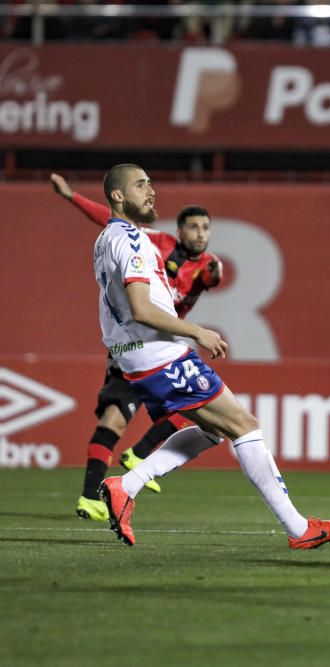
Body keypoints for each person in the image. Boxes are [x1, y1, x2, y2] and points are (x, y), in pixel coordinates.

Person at [92, 163, 330, 549]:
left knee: (216, 429)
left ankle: (125, 485)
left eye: (150, 183)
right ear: (117, 195)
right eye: (140, 184)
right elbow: (142, 309)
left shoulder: (106, 238)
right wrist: (198, 331)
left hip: (139, 355)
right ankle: (300, 529)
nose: (151, 190)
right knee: (244, 426)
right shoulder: (129, 240)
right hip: (161, 354)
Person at [52, 173, 224, 519]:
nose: (201, 234)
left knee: (193, 407)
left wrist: (216, 276)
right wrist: (72, 197)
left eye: (206, 228)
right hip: (137, 343)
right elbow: (109, 219)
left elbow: (212, 279)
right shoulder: (151, 242)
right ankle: (93, 494)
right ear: (180, 230)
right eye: (194, 227)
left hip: (163, 346)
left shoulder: (208, 267)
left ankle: (136, 457)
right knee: (116, 421)